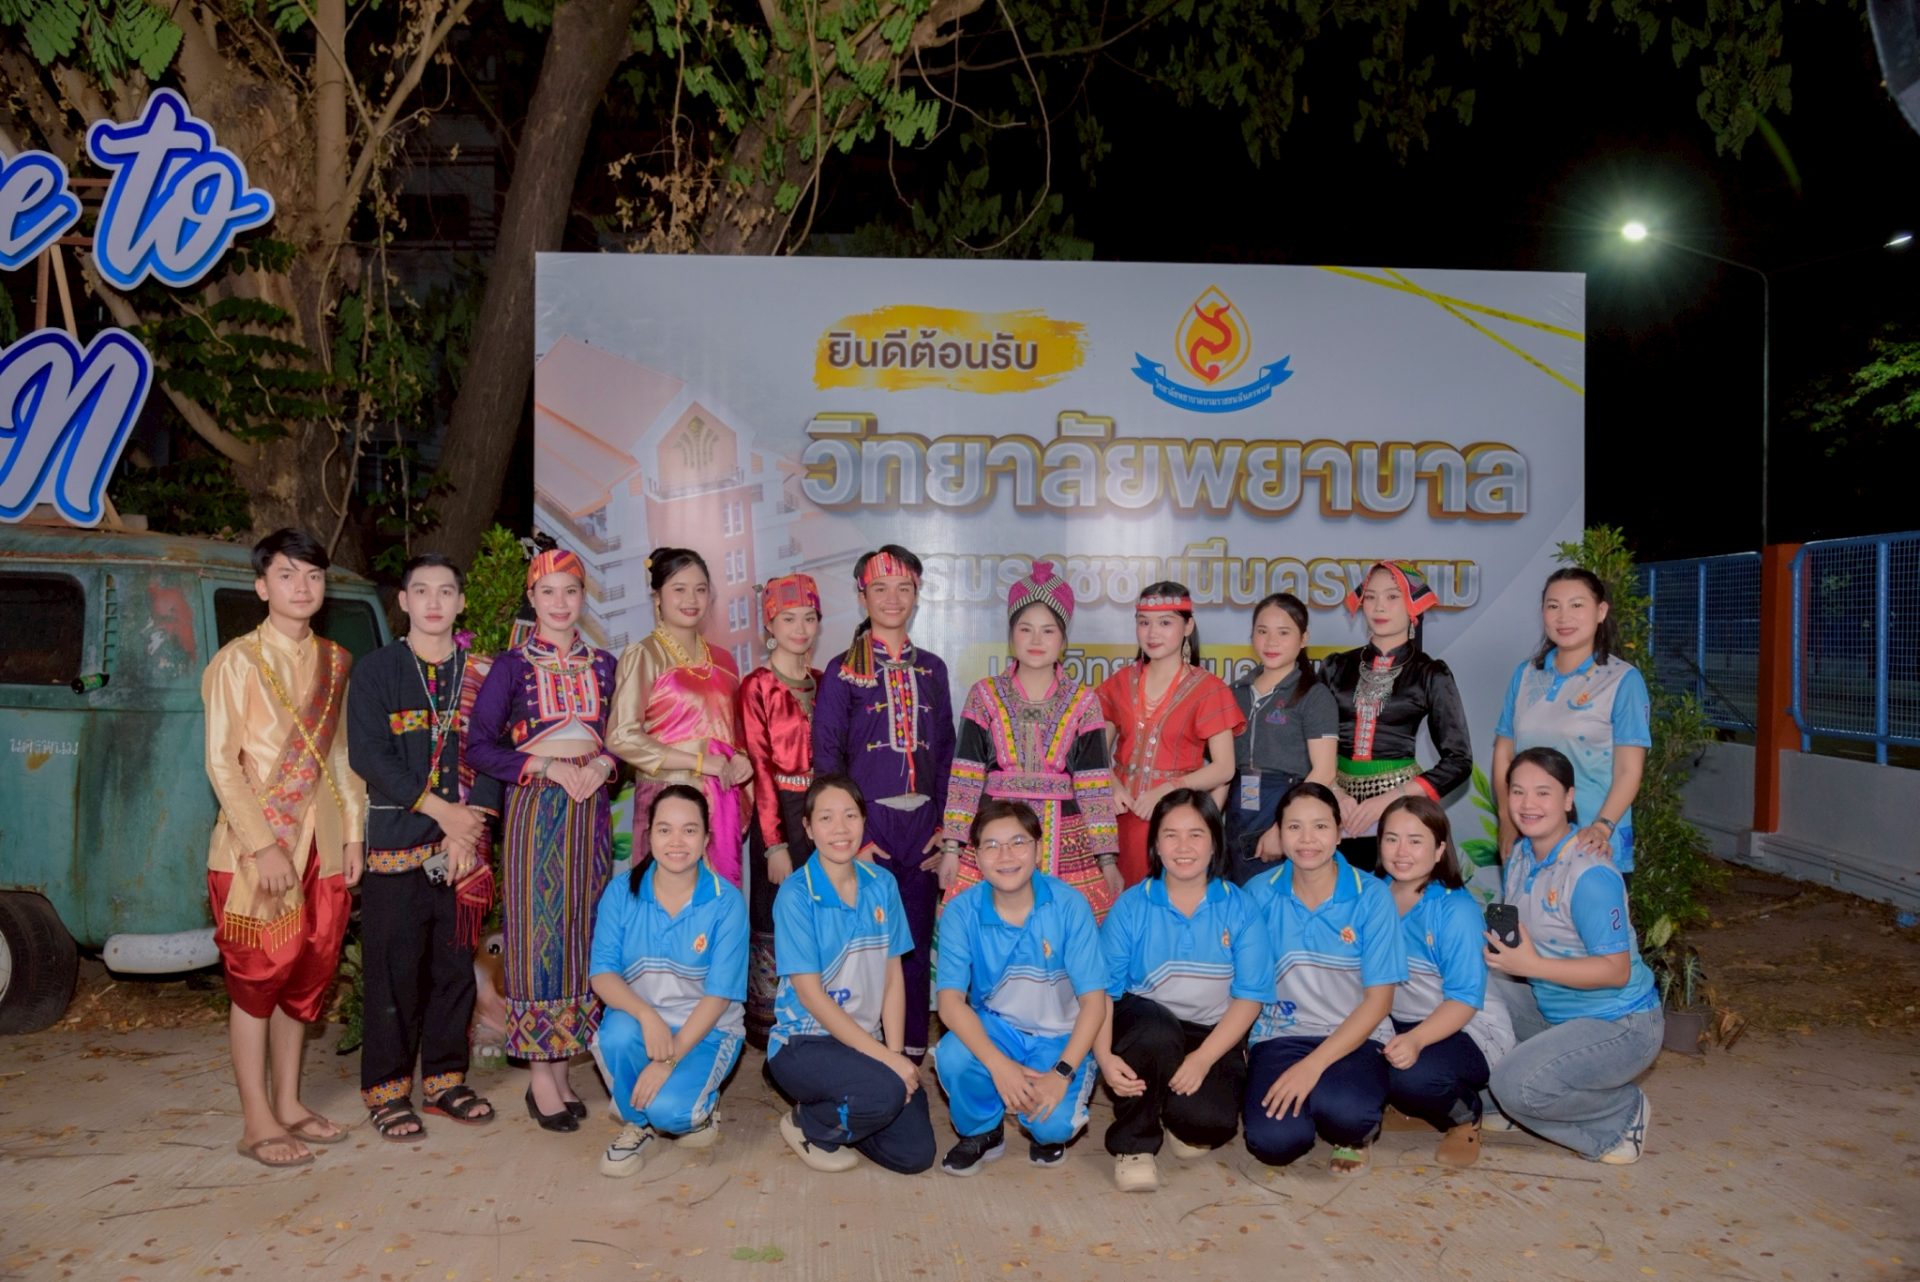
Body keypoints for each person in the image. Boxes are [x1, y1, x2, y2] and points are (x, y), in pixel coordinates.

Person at [200, 528, 367, 1167]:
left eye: (313, 576)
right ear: (261, 586)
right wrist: (264, 844)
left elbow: (343, 756)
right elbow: (221, 763)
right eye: (288, 575)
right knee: (256, 979)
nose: (302, 587)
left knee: (306, 976)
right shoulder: (236, 662)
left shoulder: (336, 660)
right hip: (256, 853)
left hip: (324, 847)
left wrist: (354, 833)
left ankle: (291, 1104)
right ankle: (256, 1121)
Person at [347, 553, 502, 1140]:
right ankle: (387, 1091)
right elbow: (370, 756)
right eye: (421, 591)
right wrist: (445, 814)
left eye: (445, 591)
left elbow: (495, 751)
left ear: (461, 602)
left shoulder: (483, 675)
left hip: (465, 851)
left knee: (454, 968)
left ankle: (444, 1081)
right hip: (397, 845)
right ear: (404, 601)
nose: (434, 602)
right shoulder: (377, 670)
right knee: (393, 974)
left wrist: (471, 827)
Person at [469, 547, 621, 1131]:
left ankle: (562, 1068)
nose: (560, 603)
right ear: (531, 597)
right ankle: (540, 1076)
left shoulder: (604, 664)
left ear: (584, 599)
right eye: (548, 591)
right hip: (538, 805)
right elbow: (481, 747)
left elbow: (621, 739)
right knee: (538, 934)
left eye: (571, 591)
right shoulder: (511, 667)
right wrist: (547, 767)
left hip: (592, 806)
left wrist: (603, 766)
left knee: (583, 931)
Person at [811, 545, 955, 1062]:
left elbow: (948, 754)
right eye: (879, 588)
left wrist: (945, 831)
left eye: (903, 588)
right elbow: (827, 760)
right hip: (867, 830)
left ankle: (909, 1058)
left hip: (923, 830)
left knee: (912, 949)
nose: (892, 599)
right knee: (862, 951)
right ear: (862, 595)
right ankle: (860, 1059)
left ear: (917, 594)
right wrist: (853, 838)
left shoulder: (933, 669)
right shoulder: (841, 671)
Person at [1485, 747, 1662, 1165]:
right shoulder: (1521, 854)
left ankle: (1620, 1114)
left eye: (1543, 792)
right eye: (1518, 791)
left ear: (1568, 798)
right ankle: (1506, 1101)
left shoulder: (1590, 873)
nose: (1528, 804)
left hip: (1619, 1022)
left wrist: (1531, 966)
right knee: (1466, 983)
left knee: (1517, 1086)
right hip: (1554, 1006)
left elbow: (1616, 972)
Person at [1095, 790, 1270, 1193]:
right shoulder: (1132, 905)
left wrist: (1203, 1059)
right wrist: (1104, 1056)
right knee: (1155, 1032)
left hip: (1210, 1031)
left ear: (1215, 843)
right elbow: (1102, 992)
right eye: (1170, 835)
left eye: (1196, 834)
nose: (1183, 847)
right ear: (1156, 845)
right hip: (1145, 1025)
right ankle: (1135, 1145)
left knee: (1209, 1124)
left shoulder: (1240, 907)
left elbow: (1251, 997)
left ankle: (1172, 1110)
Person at [765, 775, 936, 1175]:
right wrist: (887, 1064)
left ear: (863, 821)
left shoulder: (882, 884)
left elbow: (892, 978)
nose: (840, 829)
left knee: (915, 1155)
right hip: (804, 1042)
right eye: (826, 818)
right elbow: (812, 997)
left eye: (850, 816)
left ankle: (856, 1104)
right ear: (808, 828)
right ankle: (807, 1123)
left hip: (863, 1042)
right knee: (887, 1089)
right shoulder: (796, 894)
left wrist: (895, 1054)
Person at [933, 798, 1109, 1177]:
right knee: (954, 1056)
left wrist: (1061, 1073)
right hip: (1000, 1030)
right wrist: (999, 1066)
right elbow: (949, 1003)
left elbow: (1095, 1003)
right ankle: (983, 1131)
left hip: (1061, 1037)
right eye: (992, 846)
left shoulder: (1069, 905)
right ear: (976, 856)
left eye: (1017, 842)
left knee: (1052, 1126)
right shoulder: (961, 912)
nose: (1006, 856)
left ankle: (1045, 1132)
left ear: (1038, 849)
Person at [940, 562, 1122, 919]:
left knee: (1063, 931)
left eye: (1048, 631)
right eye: (1026, 629)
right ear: (1011, 637)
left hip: (1065, 840)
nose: (1036, 641)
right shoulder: (984, 695)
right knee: (986, 931)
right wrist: (952, 847)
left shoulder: (1083, 701)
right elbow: (965, 776)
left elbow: (1094, 785)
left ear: (1063, 640)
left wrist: (1107, 859)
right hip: (993, 835)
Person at [1241, 782, 1406, 1175]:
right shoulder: (1257, 894)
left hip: (1355, 1035)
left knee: (1348, 1115)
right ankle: (1312, 1109)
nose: (1307, 839)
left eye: (1320, 826)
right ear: (1279, 833)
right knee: (1273, 1142)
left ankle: (1354, 1132)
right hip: (1280, 1035)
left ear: (1339, 832)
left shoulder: (1372, 895)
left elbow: (1380, 1001)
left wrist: (1311, 1066)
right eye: (1294, 827)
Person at [588, 785, 748, 1177]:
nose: (677, 841)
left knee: (674, 1115)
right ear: (649, 836)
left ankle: (694, 1108)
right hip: (646, 1025)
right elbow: (602, 974)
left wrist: (669, 1060)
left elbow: (718, 997)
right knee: (616, 1034)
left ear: (706, 839)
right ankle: (636, 1124)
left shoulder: (726, 902)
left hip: (707, 1029)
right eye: (665, 830)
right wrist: (646, 1014)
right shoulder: (621, 892)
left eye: (689, 830)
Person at [1377, 795, 1514, 1168]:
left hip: (1469, 1027)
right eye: (1391, 839)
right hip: (1401, 1021)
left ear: (1439, 850)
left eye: (1415, 841)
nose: (1401, 852)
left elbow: (1465, 1000)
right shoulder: (1374, 896)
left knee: (1409, 1074)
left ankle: (1465, 1117)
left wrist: (1416, 1040)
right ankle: (1416, 1109)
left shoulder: (1455, 910)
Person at [1492, 569, 1651, 885]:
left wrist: (1602, 827)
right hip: (1529, 840)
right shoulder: (1526, 674)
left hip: (1593, 844)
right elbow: (1504, 754)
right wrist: (1507, 818)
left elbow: (1628, 771)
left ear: (1601, 611)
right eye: (1553, 606)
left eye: (1577, 605)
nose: (1564, 617)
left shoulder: (1623, 680)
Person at [608, 548, 750, 885]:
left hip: (721, 798)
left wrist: (742, 757)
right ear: (657, 596)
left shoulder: (725, 660)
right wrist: (699, 762)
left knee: (717, 898)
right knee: (665, 896)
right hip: (666, 796)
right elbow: (621, 736)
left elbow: (735, 730)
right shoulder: (644, 655)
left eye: (700, 589)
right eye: (679, 589)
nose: (691, 599)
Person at [1321, 561, 1473, 873]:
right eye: (1371, 597)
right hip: (1337, 807)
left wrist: (1389, 799)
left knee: (1399, 894)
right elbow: (1307, 742)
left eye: (1392, 596)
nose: (1379, 606)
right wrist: (1334, 792)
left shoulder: (1430, 673)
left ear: (1413, 606)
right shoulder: (1336, 667)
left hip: (1403, 810)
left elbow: (1459, 760)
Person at [1097, 581, 1243, 887]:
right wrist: (1111, 783)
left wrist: (1167, 790)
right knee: (1117, 905)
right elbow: (1094, 751)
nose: (1152, 633)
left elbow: (1224, 768)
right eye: (1144, 622)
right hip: (1118, 817)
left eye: (1165, 623)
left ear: (1188, 626)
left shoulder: (1209, 689)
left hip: (1176, 822)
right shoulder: (1119, 682)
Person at [736, 573, 824, 1047]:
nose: (800, 629)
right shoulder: (757, 686)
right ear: (770, 624)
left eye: (809, 618)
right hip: (779, 814)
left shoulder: (825, 682)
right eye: (789, 619)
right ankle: (773, 1035)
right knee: (775, 917)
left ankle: (819, 1024)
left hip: (823, 816)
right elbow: (760, 767)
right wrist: (774, 844)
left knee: (819, 917)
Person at [1223, 593, 1339, 885]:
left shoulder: (1314, 695)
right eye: (1262, 631)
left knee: (1279, 894)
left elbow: (1325, 771)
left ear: (1303, 638)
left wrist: (1283, 827)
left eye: (1283, 633)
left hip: (1285, 801)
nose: (1271, 642)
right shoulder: (1234, 692)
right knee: (1238, 894)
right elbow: (1222, 768)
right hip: (1238, 805)